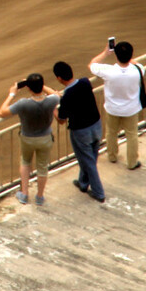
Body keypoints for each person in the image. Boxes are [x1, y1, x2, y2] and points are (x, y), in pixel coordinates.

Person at [0, 73, 60, 206]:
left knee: (25, 162)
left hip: (28, 138)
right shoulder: (52, 100)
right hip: (45, 138)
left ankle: (24, 194)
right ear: (41, 86)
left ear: (29, 88)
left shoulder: (23, 103)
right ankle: (40, 196)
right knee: (42, 167)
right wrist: (40, 86)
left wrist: (12, 94)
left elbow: (2, 112)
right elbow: (55, 93)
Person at [53, 61, 106, 202]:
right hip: (96, 125)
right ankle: (83, 183)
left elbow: (61, 120)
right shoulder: (85, 82)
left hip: (81, 132)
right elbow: (75, 94)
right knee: (90, 158)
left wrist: (54, 107)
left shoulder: (67, 97)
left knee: (88, 161)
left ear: (59, 78)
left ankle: (98, 192)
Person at [89, 40, 144, 170]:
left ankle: (112, 156)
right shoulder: (139, 70)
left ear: (116, 55)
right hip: (131, 109)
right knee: (132, 135)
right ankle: (132, 162)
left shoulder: (108, 71)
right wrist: (129, 57)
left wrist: (105, 52)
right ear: (131, 55)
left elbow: (92, 64)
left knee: (111, 132)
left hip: (112, 108)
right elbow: (137, 64)